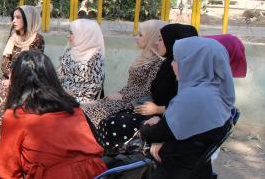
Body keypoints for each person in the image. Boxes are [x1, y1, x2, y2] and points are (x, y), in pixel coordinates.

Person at [0, 51, 107, 179]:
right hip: (97, 173)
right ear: (51, 77)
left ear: (17, 81)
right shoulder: (73, 108)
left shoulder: (17, 116)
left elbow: (6, 172)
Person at [141, 37, 234, 178]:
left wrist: (146, 125)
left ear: (194, 64)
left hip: (175, 170)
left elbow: (154, 134)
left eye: (177, 60)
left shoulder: (193, 98)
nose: (172, 64)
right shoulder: (217, 91)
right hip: (197, 167)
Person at [0, 5, 45, 151]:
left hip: (28, 81)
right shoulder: (13, 38)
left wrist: (15, 79)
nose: (14, 21)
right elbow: (5, 63)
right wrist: (10, 76)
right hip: (9, 77)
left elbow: (32, 65)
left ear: (28, 19)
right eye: (13, 17)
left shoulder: (37, 40)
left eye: (18, 17)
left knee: (3, 93)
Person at [87, 20, 166, 151]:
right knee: (85, 109)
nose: (136, 38)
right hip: (125, 97)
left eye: (141, 35)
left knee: (94, 112)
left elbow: (147, 90)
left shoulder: (157, 62)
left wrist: (122, 95)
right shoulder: (143, 57)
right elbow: (131, 84)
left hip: (133, 102)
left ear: (151, 37)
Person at [133, 24, 198, 116]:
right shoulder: (167, 63)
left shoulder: (190, 70)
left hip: (170, 119)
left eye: (160, 39)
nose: (156, 42)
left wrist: (158, 110)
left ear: (172, 41)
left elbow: (186, 107)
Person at [58, 19, 105, 104]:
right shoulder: (69, 52)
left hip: (82, 99)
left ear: (84, 35)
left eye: (72, 33)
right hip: (62, 94)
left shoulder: (95, 57)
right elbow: (60, 75)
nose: (68, 36)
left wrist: (72, 92)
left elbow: (94, 87)